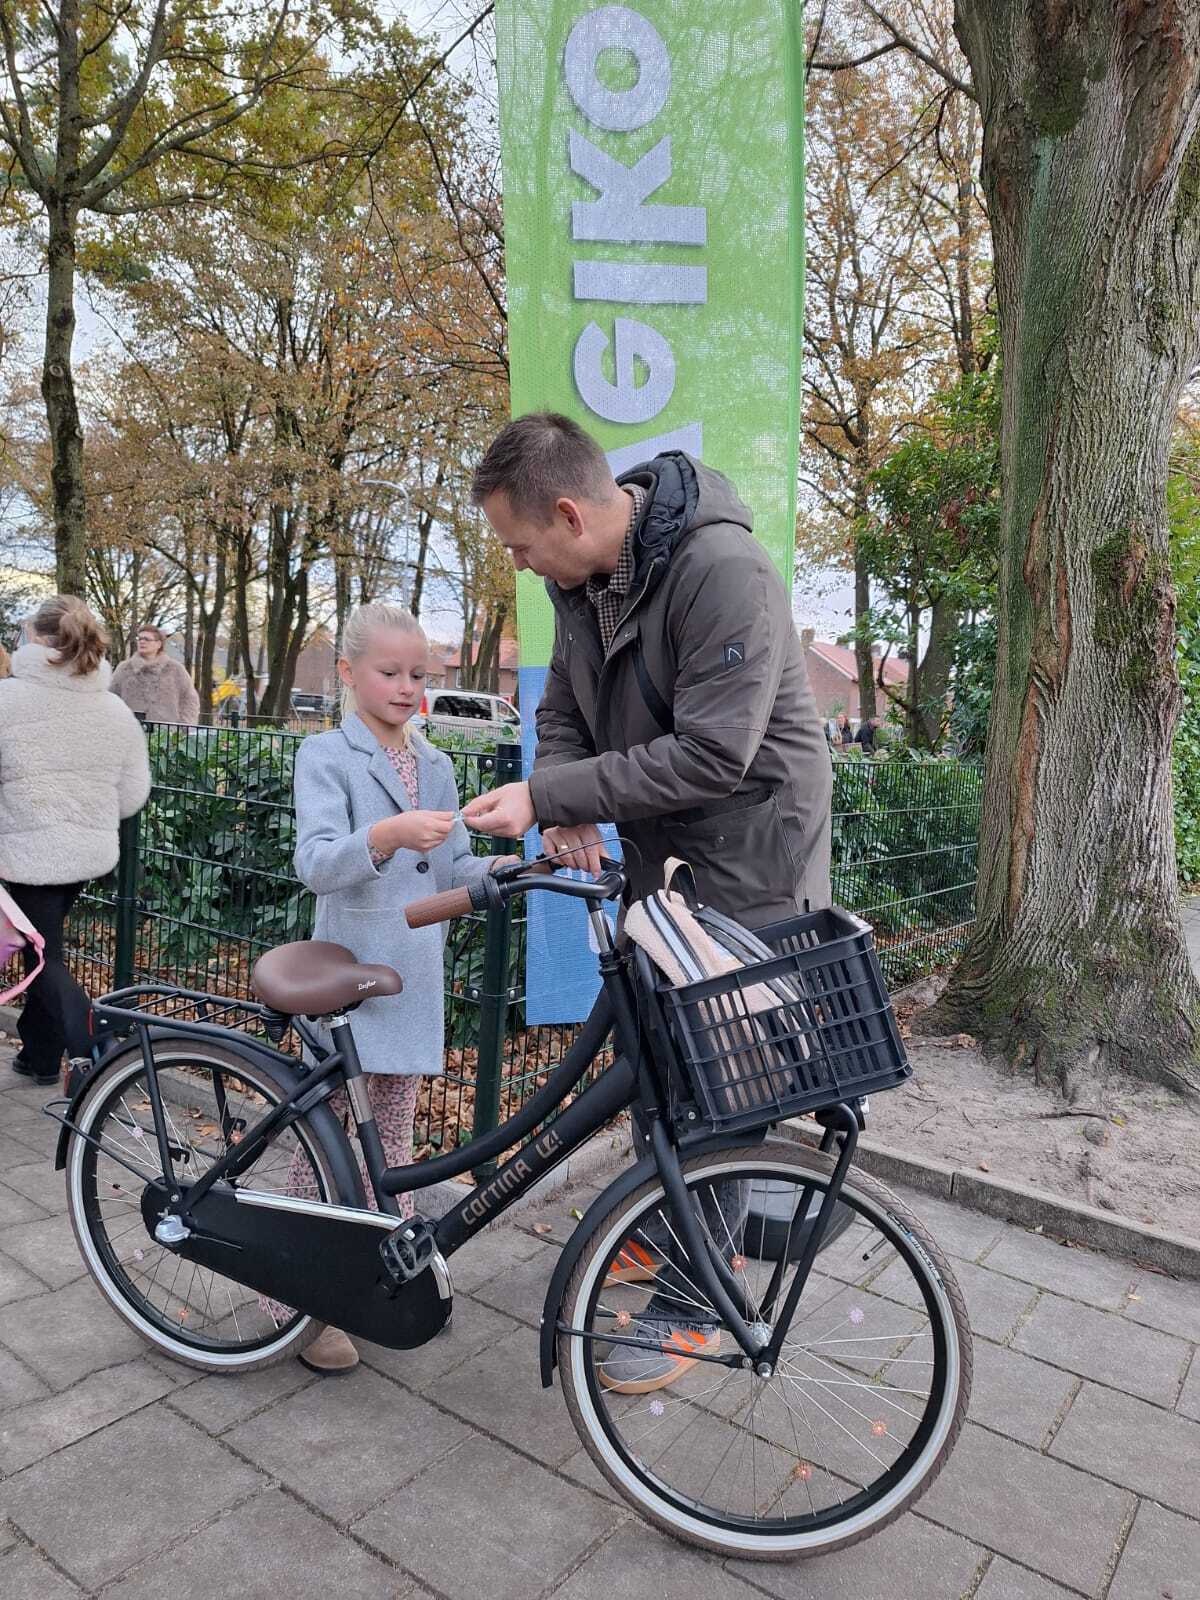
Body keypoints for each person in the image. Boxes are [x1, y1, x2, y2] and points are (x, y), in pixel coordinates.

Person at [462, 413, 833, 1391]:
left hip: (750, 858)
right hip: (661, 848)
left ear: (572, 513)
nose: (517, 557)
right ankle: (664, 1228)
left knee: (717, 1071)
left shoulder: (725, 573)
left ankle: (698, 1299)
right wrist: (567, 791)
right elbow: (562, 714)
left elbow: (718, 753)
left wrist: (553, 798)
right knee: (652, 1047)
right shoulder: (575, 581)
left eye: (519, 540)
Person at [282, 602, 517, 1373]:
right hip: (348, 982)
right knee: (329, 1149)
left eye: (419, 674)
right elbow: (315, 861)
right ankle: (306, 1307)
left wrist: (504, 868)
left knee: (394, 1139)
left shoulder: (438, 764)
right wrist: (381, 837)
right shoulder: (327, 756)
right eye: (389, 672)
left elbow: (448, 873)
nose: (407, 687)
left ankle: (389, 1278)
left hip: (410, 983)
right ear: (347, 673)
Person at [0, 596, 150, 1085]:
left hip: (23, 853)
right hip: (87, 855)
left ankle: (94, 1036)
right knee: (44, 947)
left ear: (38, 639)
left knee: (43, 956)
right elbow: (132, 796)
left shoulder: (8, 701)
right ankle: (39, 1056)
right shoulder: (114, 709)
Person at [110, 624, 201, 724]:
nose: (142, 641)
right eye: (139, 638)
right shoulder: (124, 669)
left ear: (159, 644)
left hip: (166, 734)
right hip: (129, 731)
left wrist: (184, 726)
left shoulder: (175, 669)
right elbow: (111, 698)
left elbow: (190, 699)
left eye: (146, 639)